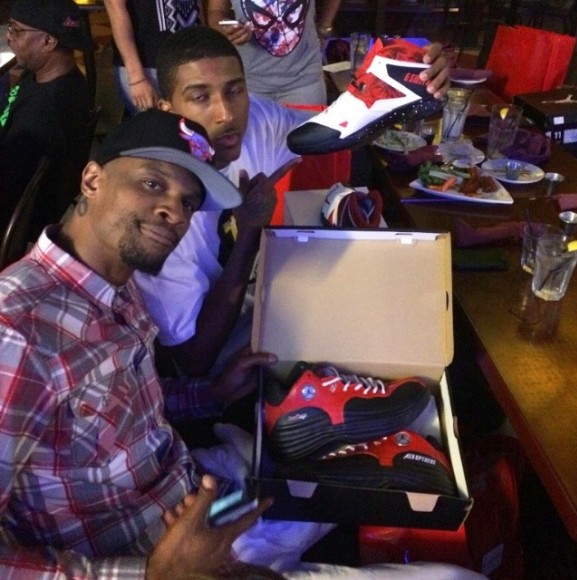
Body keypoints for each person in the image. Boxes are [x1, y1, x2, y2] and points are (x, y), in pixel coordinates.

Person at [0, 108, 282, 577]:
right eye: (152, 183)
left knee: (334, 477)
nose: (174, 212)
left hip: (196, 501)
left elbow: (122, 410)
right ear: (92, 180)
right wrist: (153, 573)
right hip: (144, 558)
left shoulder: (117, 280)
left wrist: (211, 393)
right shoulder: (17, 331)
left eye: (188, 202)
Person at [133, 25, 450, 380]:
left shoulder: (257, 121)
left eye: (235, 90)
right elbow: (193, 360)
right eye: (200, 97)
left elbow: (339, 132)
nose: (226, 113)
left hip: (253, 303)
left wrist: (406, 86)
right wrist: (251, 231)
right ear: (167, 109)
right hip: (207, 368)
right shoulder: (155, 213)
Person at [0, 0, 90, 237]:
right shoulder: (62, 79)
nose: (9, 37)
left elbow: (8, 190)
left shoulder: (41, 117)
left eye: (16, 30)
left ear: (48, 41)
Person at [206, 0, 343, 105]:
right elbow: (216, 11)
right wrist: (226, 28)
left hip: (304, 80)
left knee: (305, 135)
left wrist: (324, 27)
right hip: (250, 84)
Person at [104, 0, 204, 115]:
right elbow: (115, 8)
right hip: (148, 65)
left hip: (191, 60)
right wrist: (137, 77)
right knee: (161, 124)